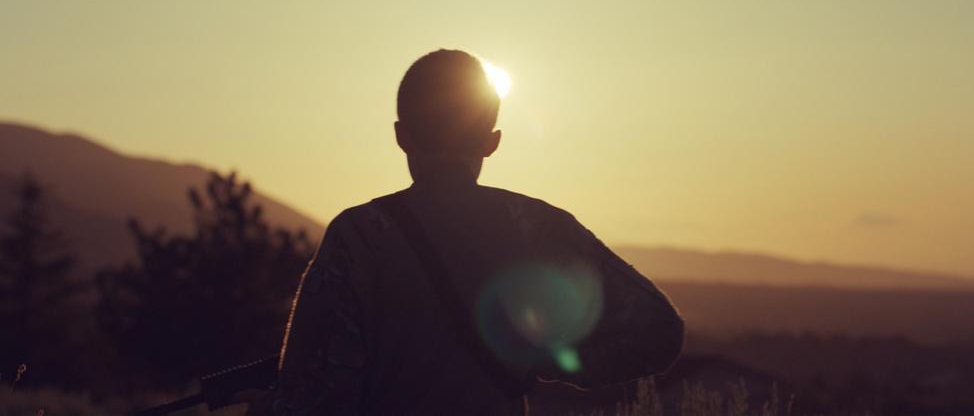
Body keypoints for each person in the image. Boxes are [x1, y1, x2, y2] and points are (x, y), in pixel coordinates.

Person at [255, 49, 684, 415]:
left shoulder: (359, 237)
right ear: (491, 141)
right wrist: (544, 357)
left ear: (401, 136)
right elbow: (659, 332)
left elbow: (309, 397)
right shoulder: (536, 226)